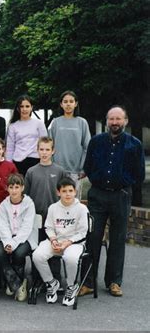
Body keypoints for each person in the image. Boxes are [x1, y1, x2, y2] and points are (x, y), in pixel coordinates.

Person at [79, 106, 145, 298]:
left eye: (118, 119)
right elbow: (88, 167)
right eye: (111, 119)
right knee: (92, 238)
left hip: (120, 196)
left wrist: (125, 184)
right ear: (107, 121)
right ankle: (88, 282)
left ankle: (114, 281)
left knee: (117, 240)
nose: (114, 122)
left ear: (125, 120)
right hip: (98, 195)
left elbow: (139, 174)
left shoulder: (134, 144)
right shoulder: (96, 141)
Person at [32, 177, 88, 307]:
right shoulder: (53, 208)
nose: (67, 194)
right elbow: (49, 228)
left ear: (75, 191)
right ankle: (51, 282)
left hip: (74, 243)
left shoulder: (82, 209)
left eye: (70, 190)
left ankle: (71, 286)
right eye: (64, 191)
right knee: (37, 255)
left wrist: (67, 243)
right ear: (58, 193)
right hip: (56, 241)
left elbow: (82, 232)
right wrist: (53, 240)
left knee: (70, 257)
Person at [0, 173, 37, 302]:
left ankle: (12, 283)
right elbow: (4, 226)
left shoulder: (29, 204)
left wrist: (13, 244)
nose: (14, 190)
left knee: (19, 253)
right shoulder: (3, 205)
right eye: (11, 187)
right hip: (7, 237)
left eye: (17, 187)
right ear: (7, 188)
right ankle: (18, 284)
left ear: (22, 188)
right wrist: (8, 243)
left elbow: (26, 228)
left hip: (26, 237)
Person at [48, 90, 91, 198]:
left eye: (71, 101)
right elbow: (49, 146)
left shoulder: (82, 122)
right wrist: (51, 165)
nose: (68, 104)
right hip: (57, 170)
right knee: (57, 202)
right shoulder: (55, 122)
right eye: (65, 101)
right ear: (61, 104)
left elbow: (87, 147)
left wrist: (83, 168)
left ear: (75, 104)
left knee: (73, 203)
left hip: (76, 171)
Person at [25, 137, 67, 220]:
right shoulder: (31, 171)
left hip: (56, 215)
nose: (44, 153)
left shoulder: (60, 171)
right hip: (35, 215)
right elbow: (25, 195)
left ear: (53, 151)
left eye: (47, 150)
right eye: (41, 149)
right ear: (37, 150)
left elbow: (65, 193)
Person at [6, 95, 48, 176]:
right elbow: (10, 148)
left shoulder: (39, 123)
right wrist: (9, 165)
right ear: (18, 108)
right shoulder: (12, 126)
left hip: (36, 160)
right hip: (18, 162)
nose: (24, 109)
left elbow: (45, 144)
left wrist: (45, 161)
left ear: (31, 107)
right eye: (21, 106)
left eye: (27, 106)